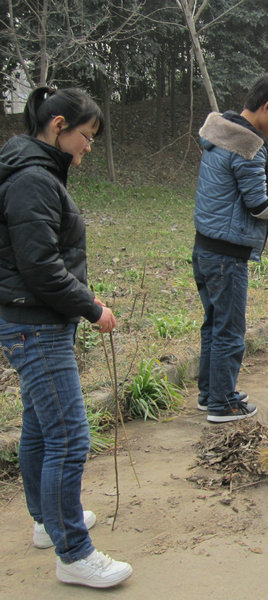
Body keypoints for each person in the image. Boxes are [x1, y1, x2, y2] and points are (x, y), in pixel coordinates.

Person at [0, 87, 132, 588]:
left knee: (39, 426)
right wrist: (90, 305)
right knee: (69, 437)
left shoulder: (32, 169)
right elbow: (38, 266)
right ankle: (73, 553)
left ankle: (45, 522)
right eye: (86, 135)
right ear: (58, 126)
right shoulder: (33, 178)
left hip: (32, 318)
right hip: (35, 322)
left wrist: (78, 298)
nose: (89, 146)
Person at [193, 74, 268, 422]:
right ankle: (223, 402)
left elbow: (242, 189)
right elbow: (256, 205)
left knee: (214, 325)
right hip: (228, 256)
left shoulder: (222, 135)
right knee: (229, 330)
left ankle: (209, 393)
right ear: (267, 107)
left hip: (205, 250)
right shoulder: (249, 145)